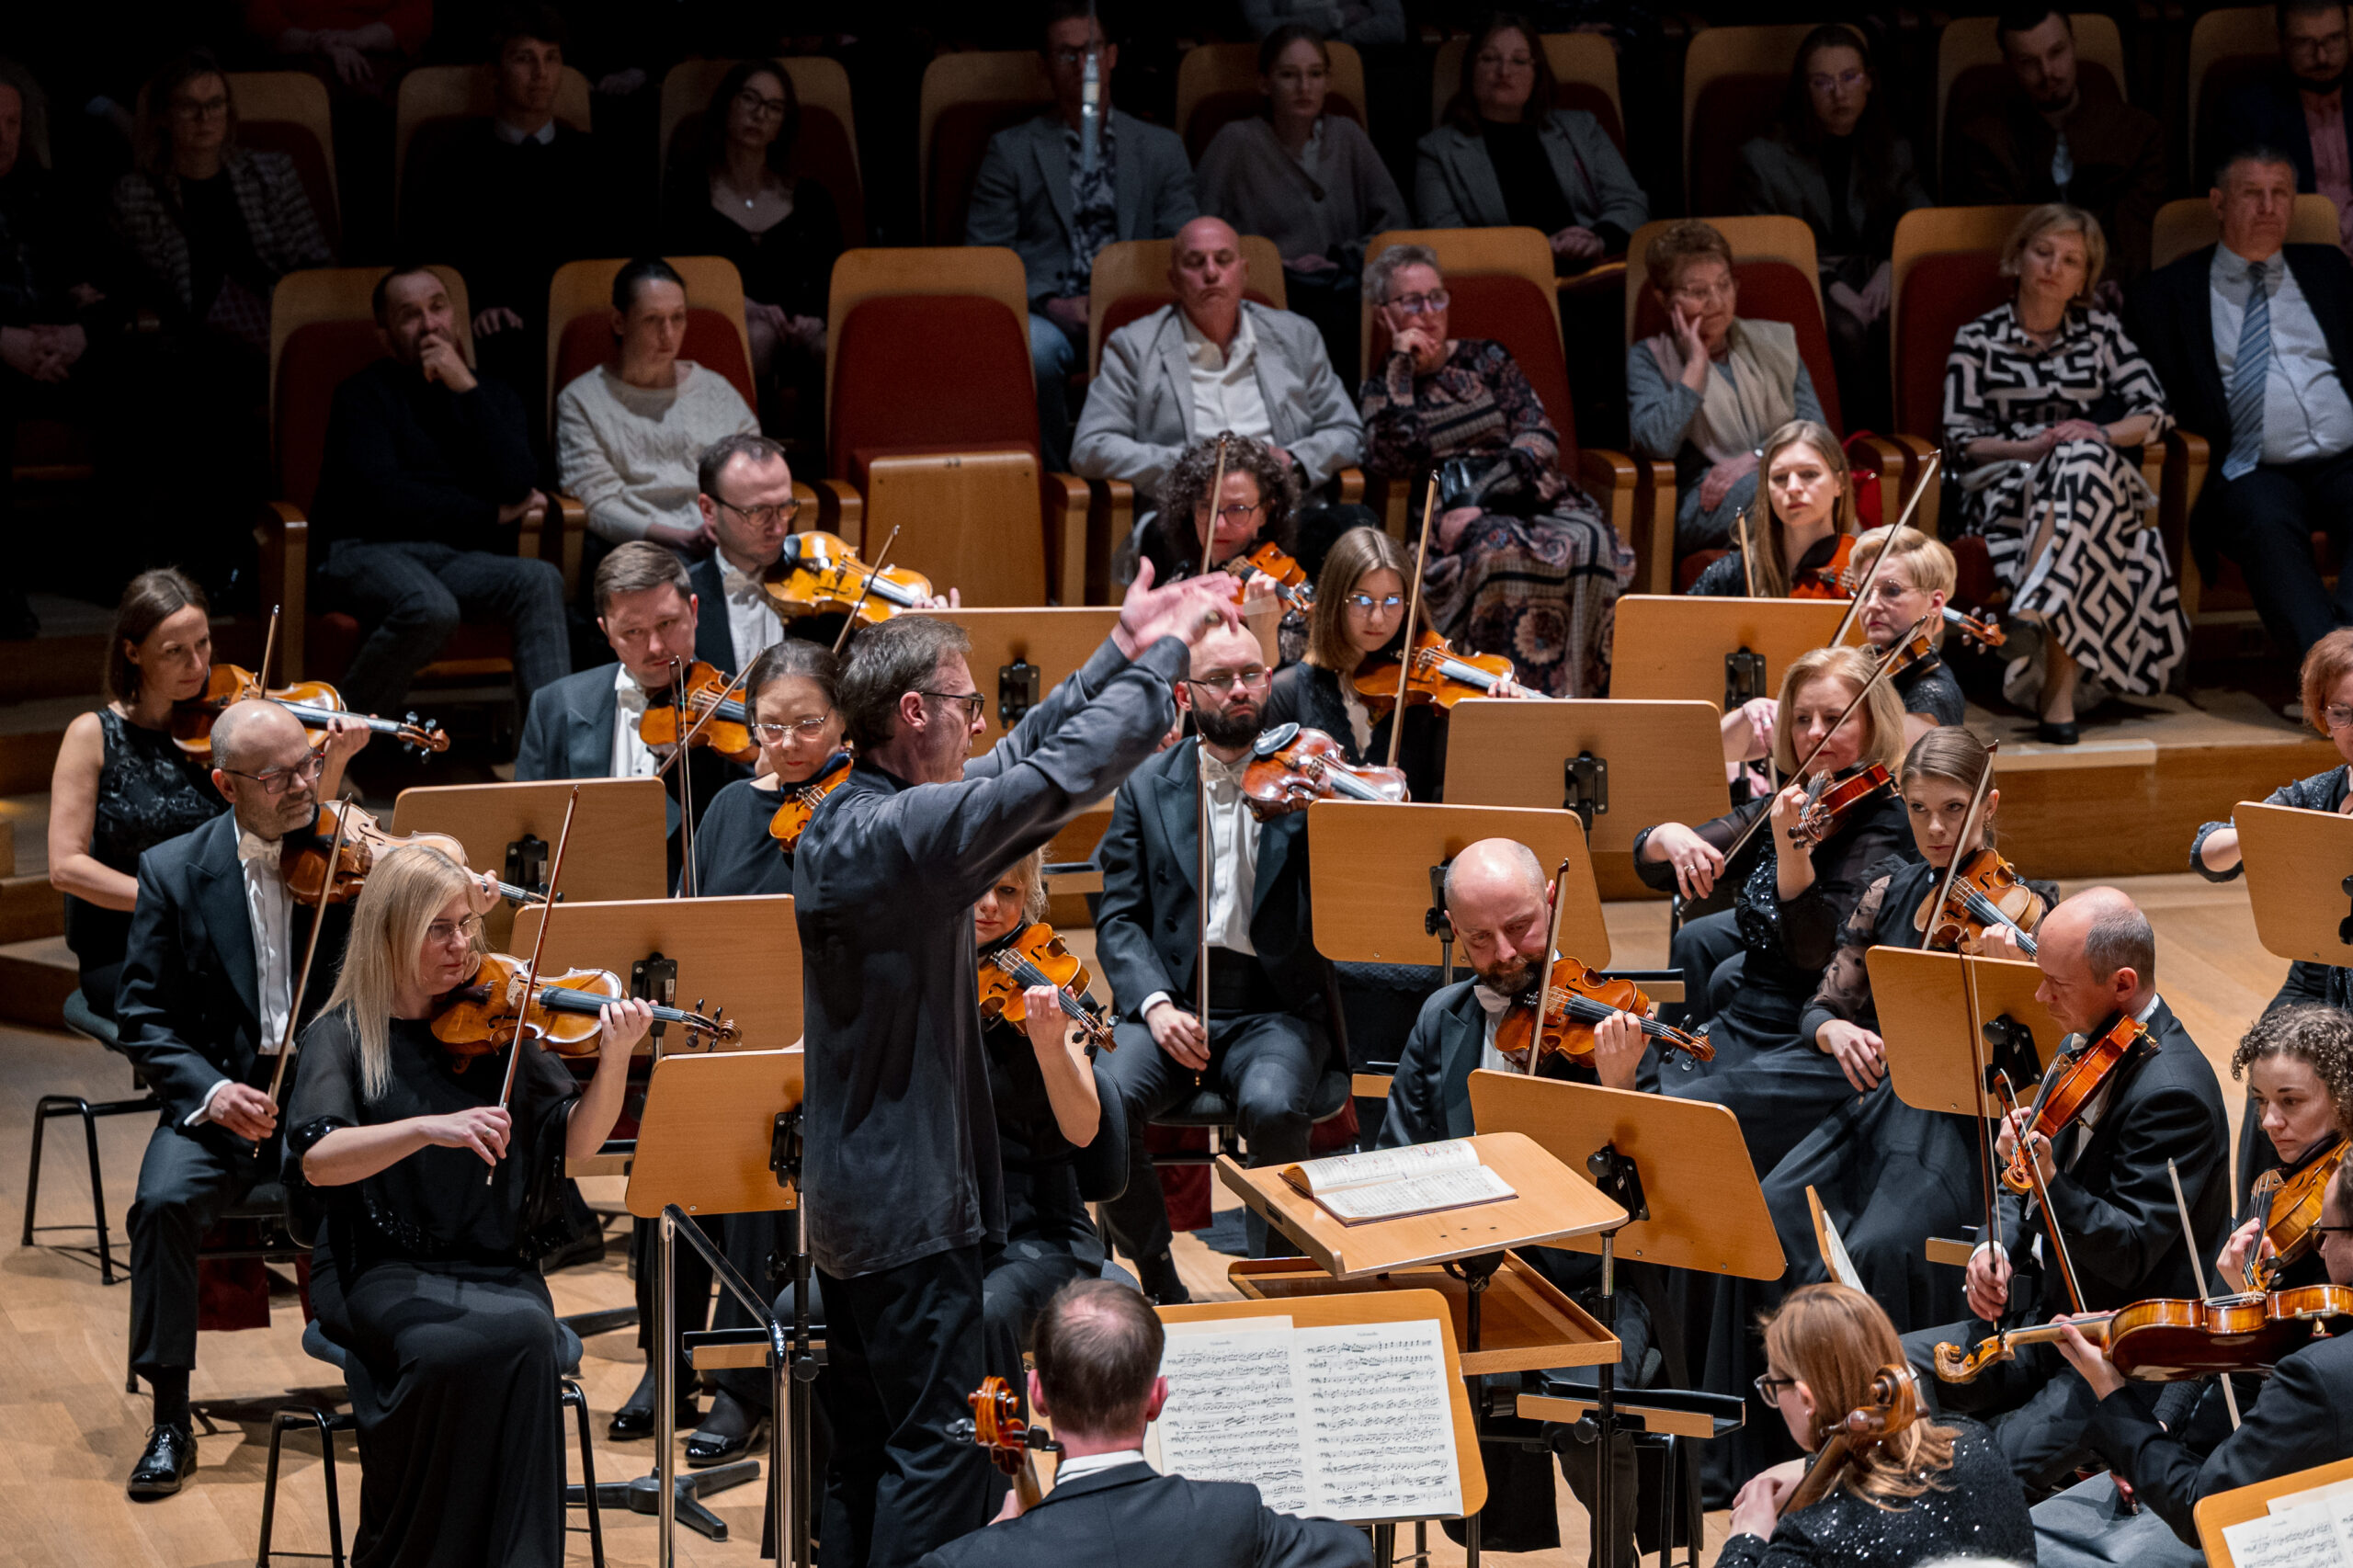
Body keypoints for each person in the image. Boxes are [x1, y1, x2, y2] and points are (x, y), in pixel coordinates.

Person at [790, 561, 1242, 1568]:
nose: (976, 721)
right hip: (908, 1208)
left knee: (864, 1450)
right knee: (938, 1456)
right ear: (914, 712)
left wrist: (1120, 650)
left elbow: (1018, 755)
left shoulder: (859, 815)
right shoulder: (901, 833)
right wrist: (1169, 659)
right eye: (964, 703)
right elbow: (1048, 781)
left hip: (859, 1200)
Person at [284, 843, 652, 1565]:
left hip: (491, 1257)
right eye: (439, 930)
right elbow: (320, 1161)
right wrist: (428, 1128)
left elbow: (577, 1143)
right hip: (377, 1261)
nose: (462, 946)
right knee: (449, 1347)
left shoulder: (496, 1021)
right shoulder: (343, 1034)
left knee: (525, 1337)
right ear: (391, 933)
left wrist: (615, 1060)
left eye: (466, 926)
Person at [1711, 730, 2055, 1484]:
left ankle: (1885, 1451)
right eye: (1921, 809)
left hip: (1967, 1123)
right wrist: (1832, 1030)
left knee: (1877, 1247)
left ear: (1989, 806)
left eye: (1955, 809)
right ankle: (1785, 1444)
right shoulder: (1890, 891)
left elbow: (2048, 1050)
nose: (1936, 828)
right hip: (1882, 1105)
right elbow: (1824, 1002)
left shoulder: (2034, 913)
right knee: (1772, 1212)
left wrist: (2016, 977)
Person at [1376, 836, 1660, 1562]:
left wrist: (1621, 1089)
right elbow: (1398, 1153)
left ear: (1553, 903)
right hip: (1472, 1273)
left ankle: (1615, 1557)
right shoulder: (1441, 1019)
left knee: (1590, 1403)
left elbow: (1653, 1194)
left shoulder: (1610, 1024)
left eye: (1521, 927)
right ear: (1452, 930)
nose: (1504, 955)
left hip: (1586, 1280)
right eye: (1479, 938)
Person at [111, 700, 365, 1497]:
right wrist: (214, 1093)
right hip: (223, 1095)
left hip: (325, 1091)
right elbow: (142, 1017)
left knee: (397, 1183)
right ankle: (169, 1420)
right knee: (161, 1204)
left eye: (309, 765)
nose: (304, 786)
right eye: (278, 776)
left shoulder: (349, 856)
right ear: (226, 786)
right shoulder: (173, 871)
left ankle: (386, 1377)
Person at [1899, 887, 2230, 1496]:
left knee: (1974, 1478)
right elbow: (2018, 1180)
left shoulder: (2174, 1093)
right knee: (1883, 1372)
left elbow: (2128, 1250)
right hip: (2046, 1323)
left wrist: (2052, 1180)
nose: (2039, 997)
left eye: (2057, 984)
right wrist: (1993, 1247)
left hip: (2119, 1355)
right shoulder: (2083, 1044)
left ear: (2122, 984)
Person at [1094, 619, 1333, 1301]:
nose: (1239, 690)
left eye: (1252, 675)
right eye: (1220, 679)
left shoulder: (1309, 783)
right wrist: (1155, 1006)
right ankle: (1157, 1272)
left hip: (1275, 1008)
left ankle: (1276, 1281)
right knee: (1104, 1102)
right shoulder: (1146, 786)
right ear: (1184, 694)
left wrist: (1343, 810)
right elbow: (1118, 917)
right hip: (1175, 1002)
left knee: (1273, 1106)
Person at [1637, 645, 1913, 1176]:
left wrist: (1792, 856)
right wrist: (1667, 835)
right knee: (1649, 1089)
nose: (1815, 733)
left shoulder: (1887, 824)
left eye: (1835, 719)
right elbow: (1656, 869)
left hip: (1807, 1025)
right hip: (1751, 1011)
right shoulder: (1795, 801)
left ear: (1874, 724)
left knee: (1677, 1113)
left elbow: (1814, 955)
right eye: (1803, 719)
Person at [914, 1278, 1372, 1568]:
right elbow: (1352, 1551)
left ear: (1038, 1395)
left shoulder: (971, 1560)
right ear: (1157, 1398)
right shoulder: (1232, 1517)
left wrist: (996, 1540)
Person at [1946, 203, 2186, 742]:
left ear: (2085, 279)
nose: (2055, 267)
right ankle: (2057, 695)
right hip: (2009, 481)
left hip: (2093, 479)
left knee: (2081, 459)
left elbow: (2155, 412)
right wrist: (2030, 447)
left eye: (2071, 260)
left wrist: (2099, 433)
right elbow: (1960, 440)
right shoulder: (1978, 338)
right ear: (2018, 259)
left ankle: (2032, 609)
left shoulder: (2101, 333)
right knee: (2080, 483)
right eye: (2044, 252)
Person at [1358, 244, 1635, 697]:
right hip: (1448, 512)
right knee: (1498, 552)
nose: (1429, 313)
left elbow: (1538, 435)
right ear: (1383, 314)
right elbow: (1395, 458)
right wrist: (1401, 368)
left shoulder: (1486, 358)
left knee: (1590, 539)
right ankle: (1496, 695)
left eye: (1436, 298)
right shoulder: (1382, 387)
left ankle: (1582, 698)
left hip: (1524, 492)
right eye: (1412, 302)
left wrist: (1481, 498)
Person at [2040, 1157, 2353, 1554]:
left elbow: (2200, 1508)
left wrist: (2111, 1392)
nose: (2320, 1249)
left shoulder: (2317, 1376)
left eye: (2325, 1234)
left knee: (2038, 1542)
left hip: (2266, 1534)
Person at [47, 573, 320, 1018]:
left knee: (310, 984)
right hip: (132, 943)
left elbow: (290, 823)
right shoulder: (91, 735)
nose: (197, 664)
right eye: (174, 651)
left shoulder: (226, 733)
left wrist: (335, 757)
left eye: (203, 643)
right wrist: (166, 899)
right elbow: (65, 868)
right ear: (132, 652)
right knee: (238, 1002)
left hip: (224, 932)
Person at [310, 262, 572, 720]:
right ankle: (338, 736)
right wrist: (490, 515)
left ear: (455, 318)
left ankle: (553, 749)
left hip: (453, 558)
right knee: (431, 607)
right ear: (386, 337)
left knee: (539, 579)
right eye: (410, 315)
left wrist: (467, 388)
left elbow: (519, 481)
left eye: (437, 307)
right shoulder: (360, 396)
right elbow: (387, 501)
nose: (430, 324)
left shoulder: (489, 394)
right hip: (365, 550)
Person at [108, 54, 332, 585]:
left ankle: (284, 559)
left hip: (274, 333)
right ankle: (219, 564)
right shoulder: (137, 193)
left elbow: (317, 265)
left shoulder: (270, 172)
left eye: (215, 105)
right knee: (196, 397)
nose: (204, 118)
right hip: (188, 344)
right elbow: (149, 289)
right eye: (189, 107)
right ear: (164, 117)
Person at [2127, 146, 2353, 666]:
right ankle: (2331, 677)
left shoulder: (2329, 271)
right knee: (2265, 522)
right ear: (2219, 203)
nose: (2268, 206)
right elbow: (2148, 398)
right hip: (2249, 467)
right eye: (2253, 193)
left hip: (2344, 459)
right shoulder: (2166, 294)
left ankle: (2343, 665)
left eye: (2280, 194)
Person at [965, 0, 1199, 470]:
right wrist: (1050, 302)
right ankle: (1053, 481)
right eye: (1066, 54)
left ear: (1111, 56)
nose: (1081, 65)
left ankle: (1162, 480)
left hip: (1137, 304)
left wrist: (1124, 302)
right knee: (1034, 350)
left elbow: (1180, 244)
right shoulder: (1011, 150)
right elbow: (986, 255)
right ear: (1045, 65)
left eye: (1090, 51)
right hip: (1048, 311)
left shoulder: (1161, 148)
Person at [1071, 214, 1371, 566]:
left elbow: (1347, 431)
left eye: (1223, 260)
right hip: (1189, 520)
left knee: (1358, 526)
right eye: (1195, 262)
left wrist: (1293, 463)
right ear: (1174, 279)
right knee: (1174, 544)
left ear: (1243, 272)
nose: (1211, 273)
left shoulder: (1296, 336)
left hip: (1282, 516)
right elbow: (1091, 446)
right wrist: (1191, 471)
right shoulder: (1134, 346)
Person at [1723, 1285, 2033, 1568]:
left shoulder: (1810, 1541)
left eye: (1773, 1385)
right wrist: (1814, 1468)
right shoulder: (1976, 1444)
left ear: (1806, 1399)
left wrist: (1745, 1541)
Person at [404, 5, 610, 418]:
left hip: (576, 319)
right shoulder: (452, 161)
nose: (541, 74)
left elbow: (612, 254)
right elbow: (432, 252)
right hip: (489, 326)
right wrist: (473, 307)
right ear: (494, 72)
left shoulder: (594, 160)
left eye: (551, 59)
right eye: (524, 58)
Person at [968, 850, 1126, 1391]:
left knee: (986, 1314)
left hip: (1036, 1228)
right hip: (937, 1223)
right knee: (829, 1306)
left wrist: (1049, 1047)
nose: (990, 905)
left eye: (1008, 892)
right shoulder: (917, 978)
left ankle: (996, 1447)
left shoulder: (1058, 989)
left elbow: (1083, 1128)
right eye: (977, 886)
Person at [1733, 25, 1931, 433]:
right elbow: (1768, 249)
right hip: (1806, 278)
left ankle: (1909, 442)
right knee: (1848, 330)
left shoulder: (1895, 149)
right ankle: (1856, 445)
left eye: (1849, 78)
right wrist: (1833, 287)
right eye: (1822, 82)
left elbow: (1923, 221)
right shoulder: (1764, 158)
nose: (1839, 95)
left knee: (1903, 317)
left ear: (1869, 82)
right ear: (1804, 89)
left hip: (1875, 272)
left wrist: (1891, 266)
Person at [515, 540, 743, 895]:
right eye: (633, 632)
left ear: (694, 611)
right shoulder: (554, 706)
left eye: (667, 623)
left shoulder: (740, 709)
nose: (656, 647)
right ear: (606, 632)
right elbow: (529, 835)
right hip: (585, 904)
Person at [1193, 28, 1408, 366]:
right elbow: (1197, 233)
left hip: (1343, 288)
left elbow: (1396, 225)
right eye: (1289, 75)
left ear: (1328, 82)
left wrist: (1346, 258)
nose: (1304, 87)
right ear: (1265, 83)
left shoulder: (1347, 136)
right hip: (1266, 299)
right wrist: (1266, 268)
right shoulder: (1235, 141)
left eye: (1315, 74)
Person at [660, 57, 843, 436]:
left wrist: (815, 318)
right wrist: (740, 305)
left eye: (774, 108)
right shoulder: (688, 191)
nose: (760, 115)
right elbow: (673, 273)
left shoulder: (811, 198)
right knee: (757, 338)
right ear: (727, 104)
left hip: (802, 332)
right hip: (725, 327)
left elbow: (837, 274)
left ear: (783, 124)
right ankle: (747, 453)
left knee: (830, 346)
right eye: (750, 99)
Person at [1627, 222, 1829, 555]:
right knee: (1778, 493)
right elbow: (1657, 444)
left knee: (1811, 487)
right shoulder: (1650, 358)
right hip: (1704, 499)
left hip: (1779, 474)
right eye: (1697, 291)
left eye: (1724, 285)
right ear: (1664, 299)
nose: (1716, 301)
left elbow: (1816, 430)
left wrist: (1756, 458)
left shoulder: (1773, 343)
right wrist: (1695, 366)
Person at [2191, 629, 2353, 1017]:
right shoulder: (2316, 794)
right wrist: (2266, 832)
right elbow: (2206, 855)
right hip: (2314, 982)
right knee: (2271, 1051)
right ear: (2324, 718)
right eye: (2342, 713)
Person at [1944, 6, 2165, 286]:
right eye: (2028, 62)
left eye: (2057, 52)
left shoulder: (2137, 134)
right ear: (2009, 64)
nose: (2047, 72)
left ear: (2073, 45)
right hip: (2027, 288)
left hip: (2115, 288)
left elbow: (2136, 243)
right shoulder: (1986, 142)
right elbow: (2002, 243)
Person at [1, 69, 110, 638]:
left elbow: (105, 278)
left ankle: (113, 565)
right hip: (2, 351)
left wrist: (80, 332)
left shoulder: (49, 193)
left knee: (150, 374)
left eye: (12, 122)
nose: (3, 136)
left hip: (54, 347)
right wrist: (3, 340)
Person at [1412, 12, 1647, 274]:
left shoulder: (1583, 127)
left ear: (1537, 72)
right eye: (1489, 59)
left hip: (1594, 272)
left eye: (1519, 60)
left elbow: (1630, 203)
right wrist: (1539, 248)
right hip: (1507, 279)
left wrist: (1597, 240)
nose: (1504, 72)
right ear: (1470, 69)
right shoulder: (1436, 150)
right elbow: (1445, 237)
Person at [555, 256, 761, 555]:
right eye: (652, 320)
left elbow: (756, 472)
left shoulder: (715, 391)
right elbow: (597, 502)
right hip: (637, 546)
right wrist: (680, 538)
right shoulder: (583, 399)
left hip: (719, 538)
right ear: (619, 322)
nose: (668, 334)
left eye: (677, 318)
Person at [1260, 525, 1446, 801]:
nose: (1377, 618)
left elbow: (1444, 798)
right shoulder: (1287, 692)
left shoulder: (1425, 697)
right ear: (1335, 602)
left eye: (1392, 601)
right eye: (1361, 600)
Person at [2217, 1004, 2353, 1294]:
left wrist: (2249, 1296)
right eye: (2261, 1101)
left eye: (2290, 1101)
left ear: (2343, 1094)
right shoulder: (2284, 1181)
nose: (2268, 1121)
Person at [2214, 0, 2353, 258]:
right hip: (2296, 261)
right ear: (2282, 41)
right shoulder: (2248, 113)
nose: (2322, 57)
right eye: (2305, 44)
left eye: (2333, 40)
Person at [1684, 418, 1855, 600]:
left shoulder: (1860, 570)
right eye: (1780, 477)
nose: (1793, 487)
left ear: (1839, 483)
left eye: (1809, 474)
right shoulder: (1731, 575)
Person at [688, 432, 803, 672]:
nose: (778, 528)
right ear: (709, 510)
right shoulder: (680, 600)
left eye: (785, 507)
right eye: (758, 512)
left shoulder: (824, 601)